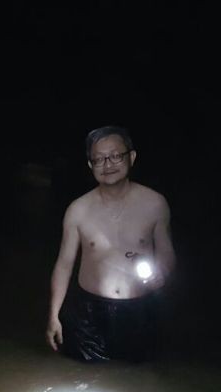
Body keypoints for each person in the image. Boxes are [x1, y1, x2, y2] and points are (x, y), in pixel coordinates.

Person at [46, 125, 176, 362]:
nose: (108, 164)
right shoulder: (78, 210)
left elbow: (167, 253)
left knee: (140, 380)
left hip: (140, 310)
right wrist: (53, 315)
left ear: (131, 157)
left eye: (116, 156)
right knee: (81, 377)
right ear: (90, 165)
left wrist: (163, 274)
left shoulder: (155, 204)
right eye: (99, 159)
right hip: (88, 315)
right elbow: (64, 265)